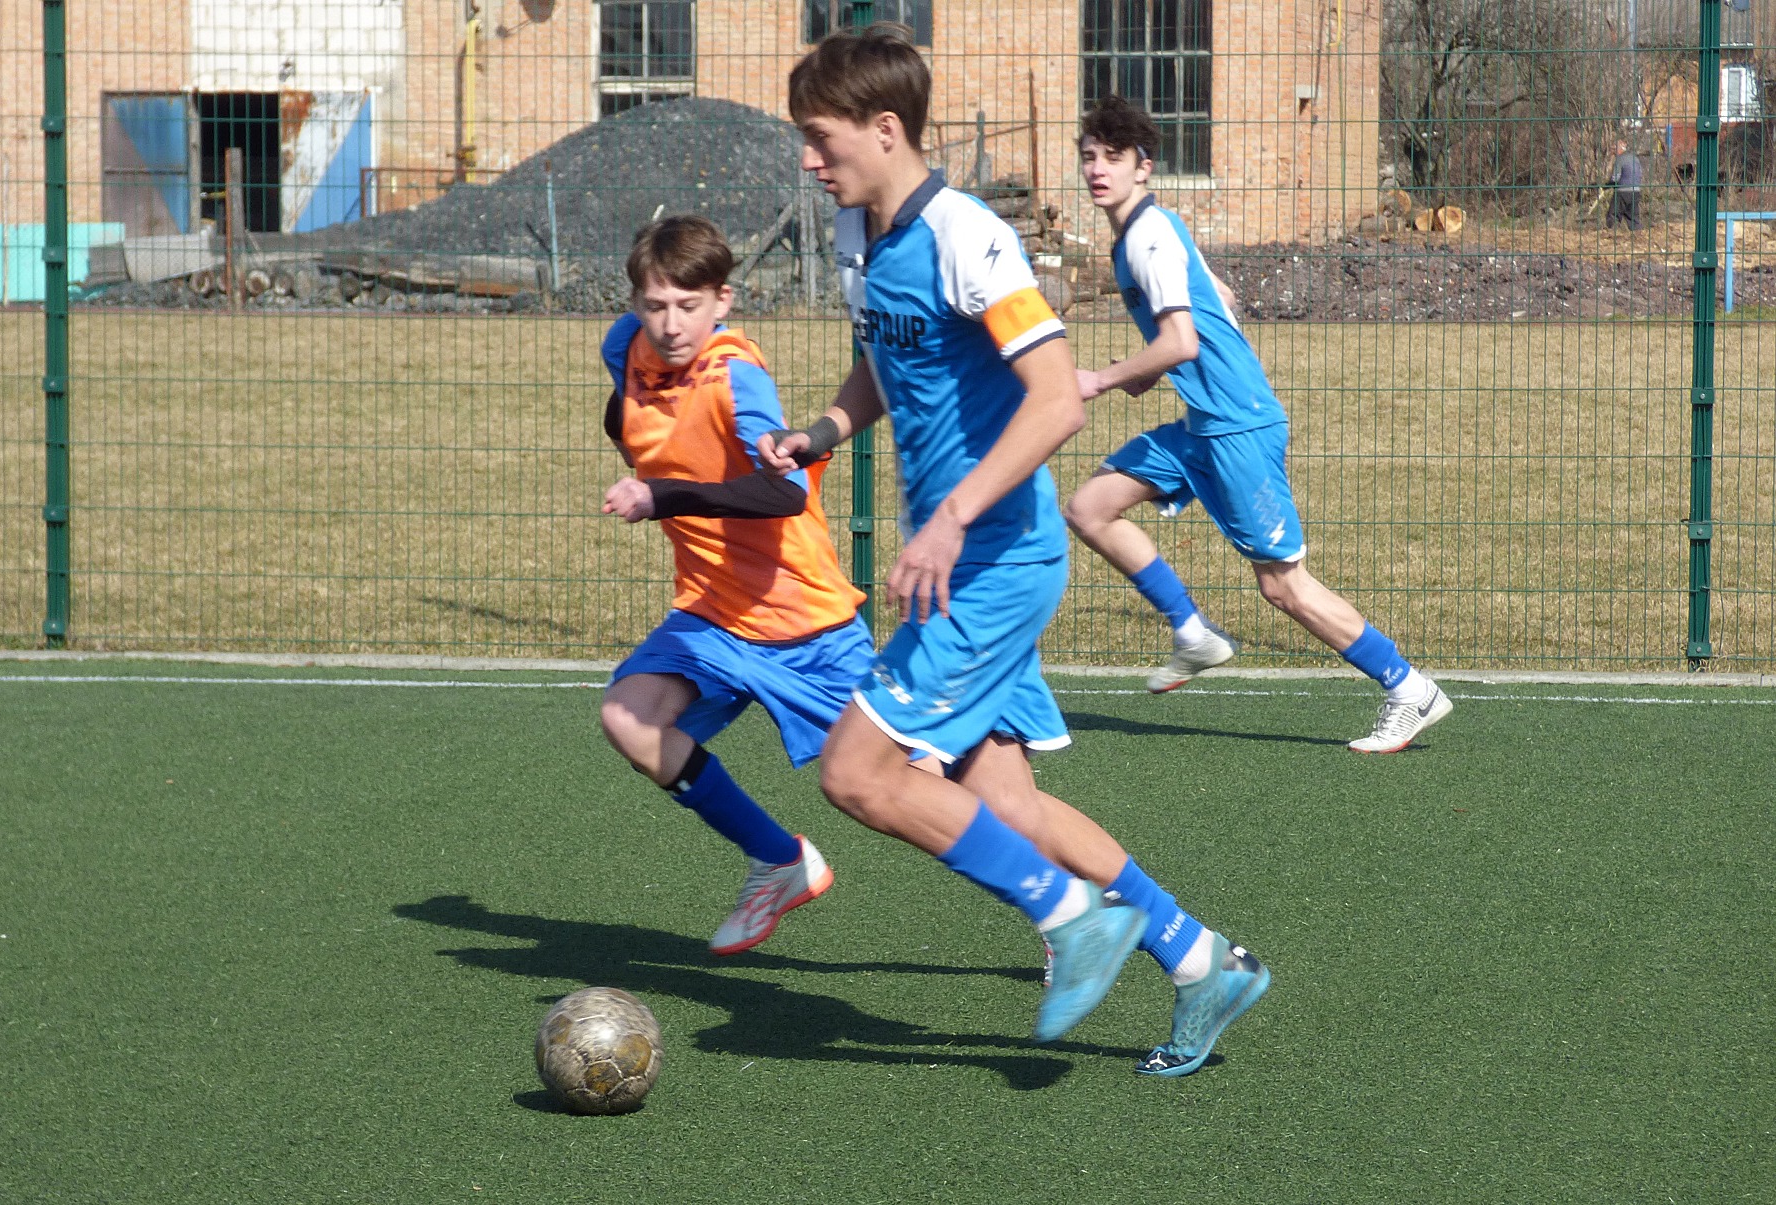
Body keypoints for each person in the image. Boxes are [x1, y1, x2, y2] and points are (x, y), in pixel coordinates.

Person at [762, 25, 1268, 1074]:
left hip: (992, 565)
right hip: (963, 565)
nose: (808, 160)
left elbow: (1053, 402)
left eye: (820, 138)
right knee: (1007, 805)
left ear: (884, 129)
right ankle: (1201, 960)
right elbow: (883, 365)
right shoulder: (859, 234)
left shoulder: (968, 235)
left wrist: (949, 517)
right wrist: (820, 433)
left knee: (857, 771)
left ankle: (1069, 916)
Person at [1062, 96, 1453, 754]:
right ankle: (1193, 633)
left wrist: (1104, 378)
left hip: (1237, 427)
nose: (1098, 169)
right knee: (1090, 507)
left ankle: (1408, 687)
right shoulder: (1147, 233)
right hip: (1205, 426)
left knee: (1282, 585)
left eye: (1113, 157)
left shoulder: (1148, 237)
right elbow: (1221, 300)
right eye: (1089, 157)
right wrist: (1158, 368)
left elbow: (1181, 340)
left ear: (1143, 166)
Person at [597, 214, 870, 957]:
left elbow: (782, 494)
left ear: (724, 300)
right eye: (654, 305)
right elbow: (626, 415)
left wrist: (662, 495)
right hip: (712, 612)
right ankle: (780, 861)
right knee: (629, 716)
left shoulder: (735, 376)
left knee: (918, 780)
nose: (670, 324)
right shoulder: (623, 346)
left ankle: (1062, 896)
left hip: (802, 620)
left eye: (688, 306)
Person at [1605, 139, 1643, 232]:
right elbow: (1640, 174)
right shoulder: (1635, 159)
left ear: (1619, 149)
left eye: (1614, 149)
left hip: (1622, 192)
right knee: (1633, 218)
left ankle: (1612, 233)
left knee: (1613, 215)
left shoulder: (1620, 160)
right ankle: (1638, 234)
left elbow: (1615, 178)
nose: (1612, 151)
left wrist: (1606, 186)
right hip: (1636, 191)